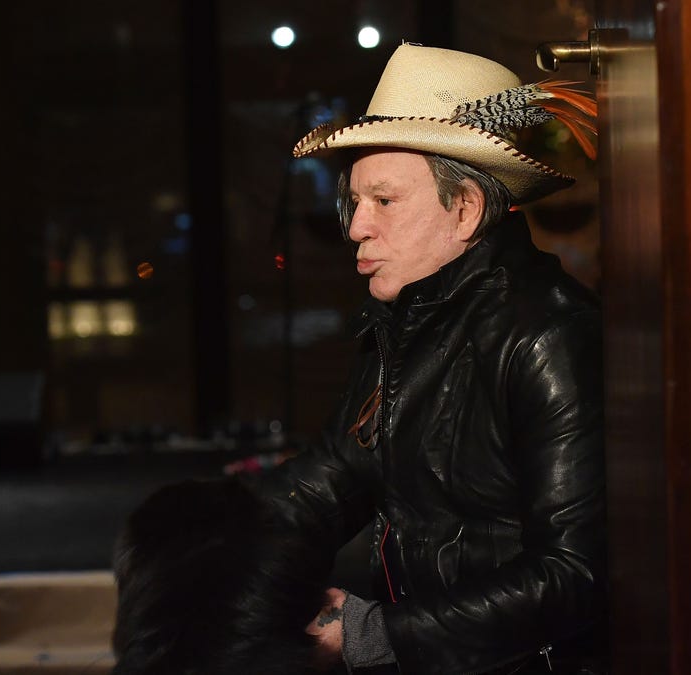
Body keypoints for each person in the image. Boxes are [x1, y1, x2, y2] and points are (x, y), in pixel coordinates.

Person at [255, 43, 606, 674]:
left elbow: (572, 575)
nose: (357, 227)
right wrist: (201, 549)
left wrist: (375, 634)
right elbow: (329, 483)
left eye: (383, 201)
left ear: (465, 208)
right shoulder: (407, 320)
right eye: (354, 202)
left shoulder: (549, 336)